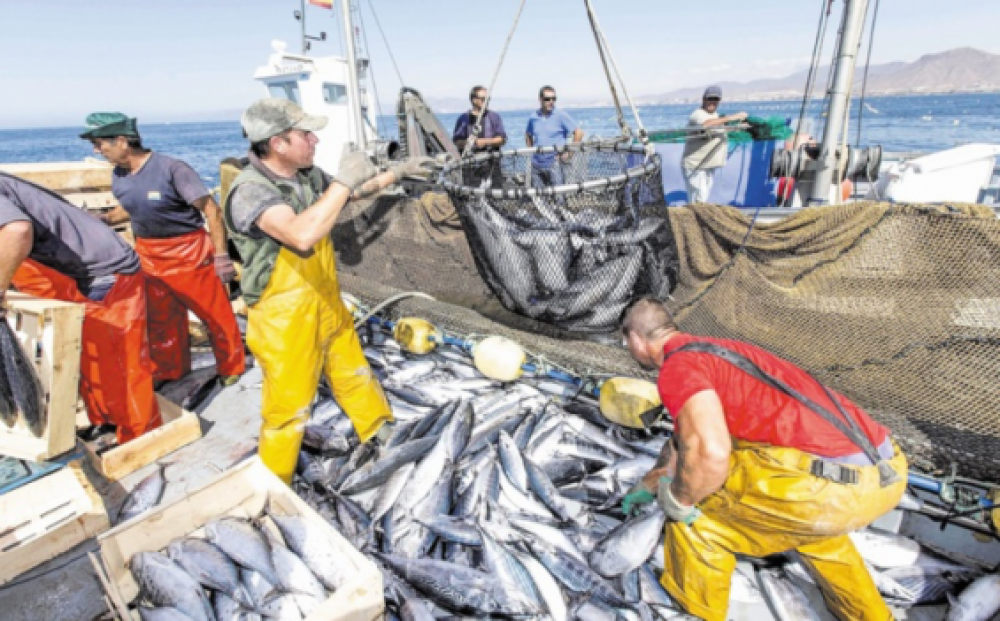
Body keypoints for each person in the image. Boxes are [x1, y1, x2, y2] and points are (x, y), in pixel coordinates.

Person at [619, 297, 907, 621]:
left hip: (823, 489)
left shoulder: (677, 369)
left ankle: (694, 615)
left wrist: (679, 501)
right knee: (812, 532)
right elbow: (683, 442)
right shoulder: (719, 351)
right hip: (880, 476)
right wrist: (651, 481)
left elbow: (710, 453)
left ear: (635, 340)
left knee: (698, 523)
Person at [224, 97, 436, 483]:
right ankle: (276, 483)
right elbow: (301, 235)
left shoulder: (304, 175)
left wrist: (398, 173)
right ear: (278, 144)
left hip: (323, 298)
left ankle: (378, 429)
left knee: (352, 369)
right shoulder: (251, 191)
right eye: (305, 134)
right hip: (282, 316)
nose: (315, 140)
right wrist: (341, 181)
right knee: (287, 408)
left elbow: (350, 193)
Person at [82, 113, 246, 387]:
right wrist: (108, 218)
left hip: (189, 252)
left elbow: (212, 210)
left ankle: (232, 367)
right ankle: (172, 371)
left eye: (100, 144)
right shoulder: (120, 175)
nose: (97, 151)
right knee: (161, 320)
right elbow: (131, 205)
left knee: (214, 315)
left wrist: (220, 256)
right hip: (149, 255)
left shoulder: (172, 169)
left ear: (122, 141)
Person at [0, 172, 161, 444]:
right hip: (71, 270)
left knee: (121, 362)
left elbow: (18, 231)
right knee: (87, 356)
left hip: (103, 272)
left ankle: (141, 435)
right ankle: (108, 422)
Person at [682, 86, 747, 204]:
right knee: (699, 200)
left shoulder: (715, 116)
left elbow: (716, 128)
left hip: (708, 165)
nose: (712, 102)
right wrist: (733, 117)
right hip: (696, 166)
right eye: (710, 99)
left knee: (703, 199)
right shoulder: (698, 114)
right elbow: (706, 125)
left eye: (715, 99)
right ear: (704, 99)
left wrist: (734, 128)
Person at [524, 86, 583, 187]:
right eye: (547, 99)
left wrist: (569, 154)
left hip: (555, 163)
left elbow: (579, 133)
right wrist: (531, 151)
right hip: (536, 164)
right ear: (540, 99)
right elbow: (527, 134)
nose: (551, 101)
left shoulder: (560, 115)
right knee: (539, 198)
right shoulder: (533, 116)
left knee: (559, 197)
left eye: (554, 99)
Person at [453, 85, 507, 188]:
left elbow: (502, 139)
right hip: (471, 166)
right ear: (474, 100)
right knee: (472, 197)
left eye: (488, 99)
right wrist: (467, 143)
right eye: (483, 99)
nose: (486, 101)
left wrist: (485, 141)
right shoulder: (463, 119)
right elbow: (457, 142)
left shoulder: (494, 117)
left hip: (492, 165)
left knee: (494, 196)